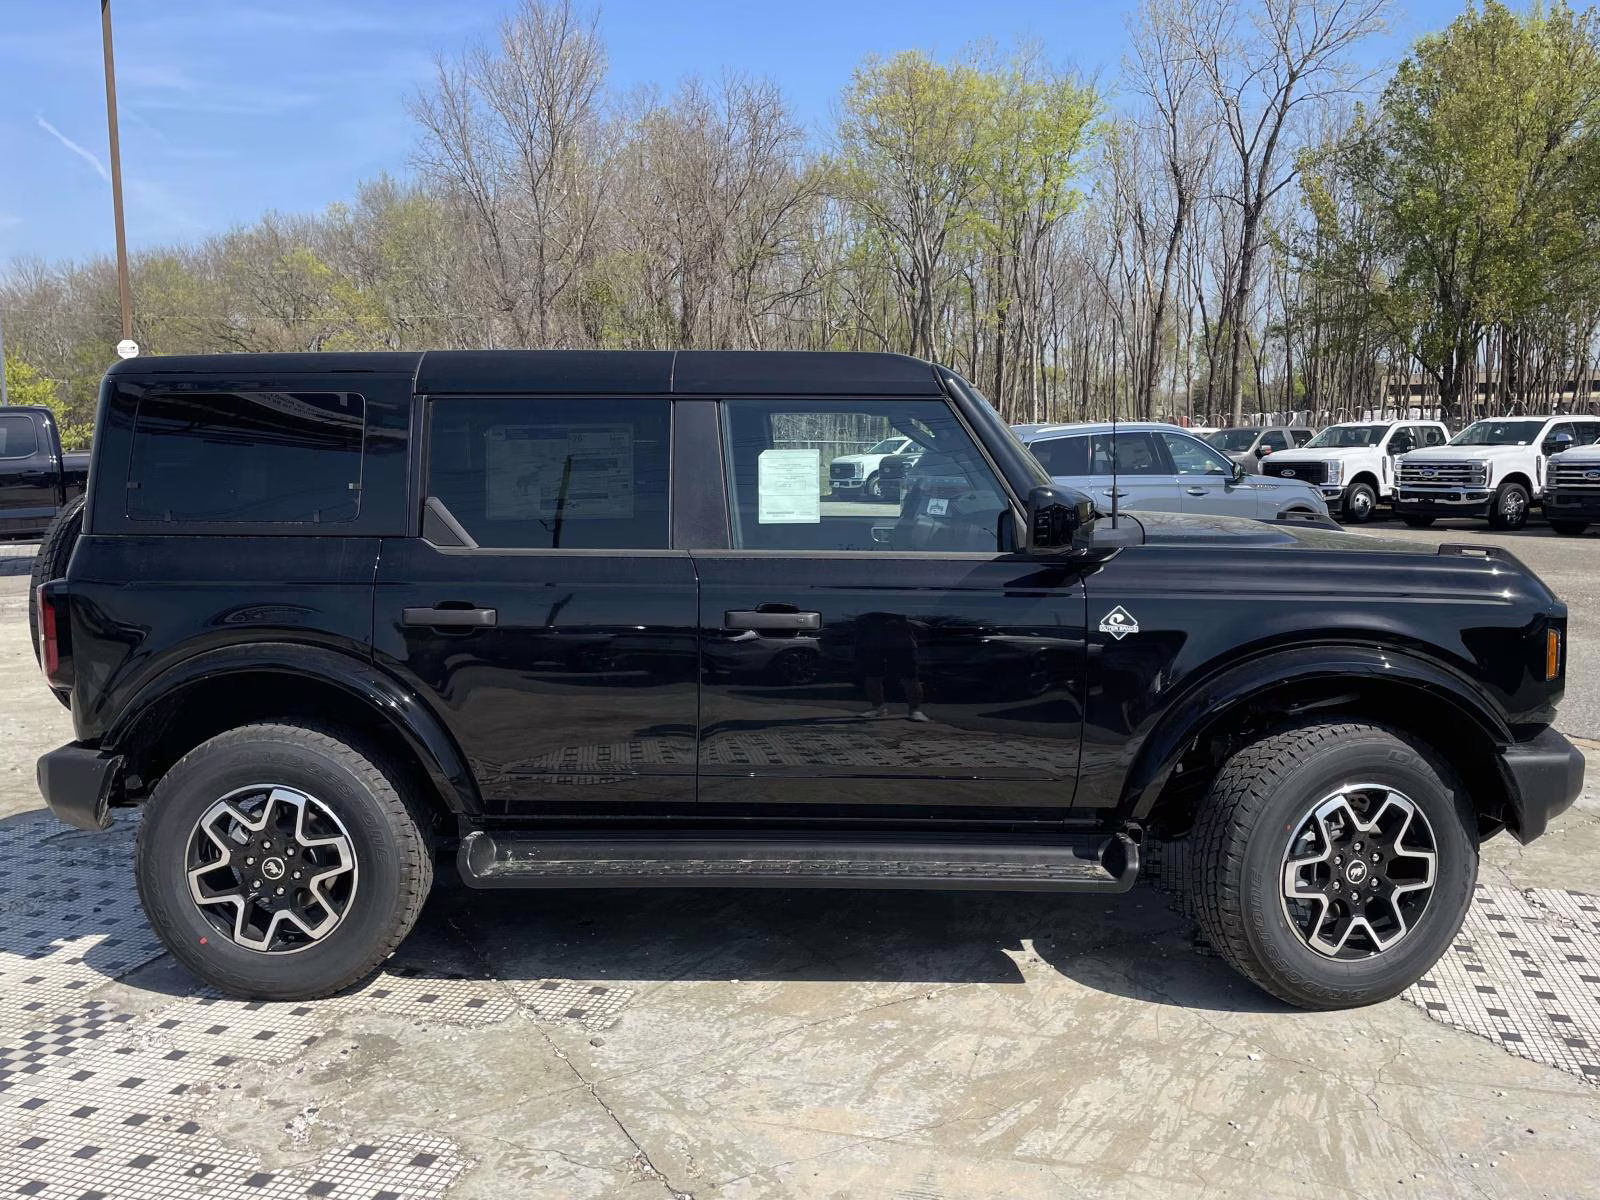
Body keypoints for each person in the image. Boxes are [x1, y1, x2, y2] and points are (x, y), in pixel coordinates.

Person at [854, 611, 929, 721]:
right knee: (872, 676)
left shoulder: (900, 599)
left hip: (901, 643)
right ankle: (877, 707)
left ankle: (915, 710)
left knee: (910, 677)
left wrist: (907, 622)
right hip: (871, 642)